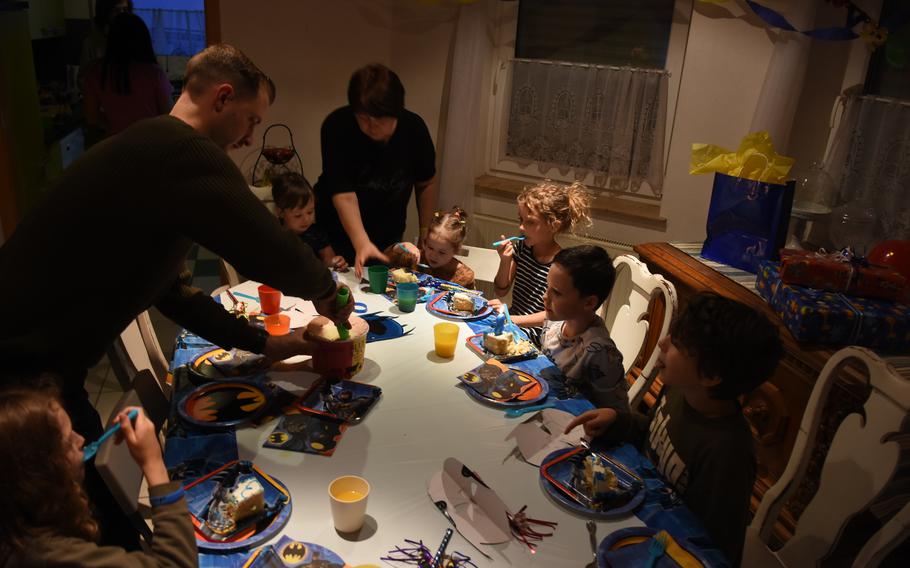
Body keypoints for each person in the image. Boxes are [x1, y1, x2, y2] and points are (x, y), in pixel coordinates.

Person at [0, 43, 352, 545]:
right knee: (81, 531)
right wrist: (328, 293)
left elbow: (174, 294)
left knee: (98, 519)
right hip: (20, 373)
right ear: (223, 98)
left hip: (47, 365)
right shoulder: (179, 149)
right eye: (251, 120)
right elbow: (264, 243)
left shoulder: (152, 152)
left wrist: (264, 343)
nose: (252, 137)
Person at [564, 293, 783, 565]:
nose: (662, 342)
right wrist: (618, 419)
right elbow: (654, 433)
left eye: (676, 343)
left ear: (710, 376)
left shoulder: (728, 453)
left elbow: (712, 547)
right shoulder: (680, 390)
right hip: (631, 509)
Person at [0, 388, 196, 567]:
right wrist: (153, 463)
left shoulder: (25, 522)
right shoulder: (49, 556)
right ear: (40, 474)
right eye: (68, 441)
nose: (81, 439)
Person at [314, 63, 438, 277]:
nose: (371, 127)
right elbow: (343, 195)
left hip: (388, 237)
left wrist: (426, 233)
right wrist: (362, 242)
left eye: (379, 120)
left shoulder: (414, 129)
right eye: (363, 118)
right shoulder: (337, 126)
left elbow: (426, 182)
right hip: (336, 237)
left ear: (396, 112)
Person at [491, 180, 591, 346]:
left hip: (539, 335)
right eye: (520, 220)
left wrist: (513, 319)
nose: (521, 227)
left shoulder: (561, 265)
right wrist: (505, 261)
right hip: (514, 322)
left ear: (553, 226)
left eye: (530, 222)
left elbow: (552, 314)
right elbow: (500, 291)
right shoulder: (522, 248)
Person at [539, 245, 627, 410]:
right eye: (547, 287)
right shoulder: (554, 321)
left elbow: (617, 414)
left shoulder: (600, 352)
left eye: (556, 293)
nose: (545, 297)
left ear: (589, 303)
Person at [84, 12, 173, 140]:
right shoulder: (153, 73)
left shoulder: (96, 73)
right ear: (143, 41)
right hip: (150, 144)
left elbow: (91, 118)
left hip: (115, 145)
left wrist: (113, 119)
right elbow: (169, 115)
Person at [271, 172, 348, 271]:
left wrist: (334, 261)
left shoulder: (315, 232)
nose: (306, 219)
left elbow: (327, 258)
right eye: (298, 215)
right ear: (280, 212)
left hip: (312, 281)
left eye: (310, 212)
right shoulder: (275, 232)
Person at [385, 207, 476, 288]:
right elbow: (384, 259)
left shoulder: (464, 276)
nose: (433, 255)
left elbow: (472, 300)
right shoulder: (415, 258)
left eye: (442, 252)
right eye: (430, 248)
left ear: (456, 250)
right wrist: (399, 247)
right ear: (425, 242)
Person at [79, 0, 133, 90]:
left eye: (125, 9)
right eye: (116, 10)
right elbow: (82, 80)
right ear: (106, 13)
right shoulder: (91, 43)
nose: (122, 14)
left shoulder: (133, 39)